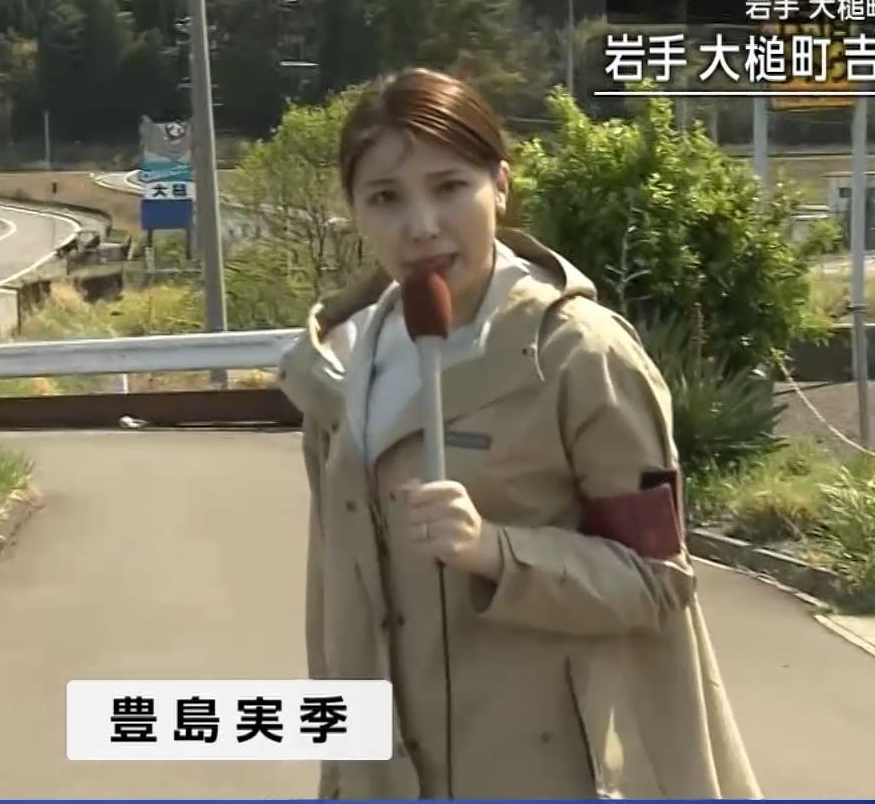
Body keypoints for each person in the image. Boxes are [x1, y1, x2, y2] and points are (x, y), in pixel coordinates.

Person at [277, 69, 762, 800]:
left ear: (500, 185)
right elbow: (335, 604)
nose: (421, 225)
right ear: (355, 211)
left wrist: (495, 550)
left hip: (547, 768)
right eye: (386, 198)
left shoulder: (579, 355)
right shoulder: (338, 366)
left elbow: (657, 579)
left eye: (449, 187)